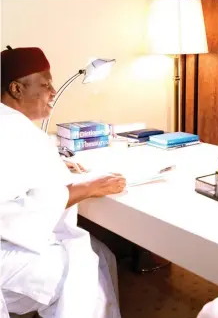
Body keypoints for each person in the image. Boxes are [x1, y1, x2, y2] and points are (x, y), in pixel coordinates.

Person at [0, 46, 126, 317]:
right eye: (45, 84)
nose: (53, 92)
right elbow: (7, 213)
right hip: (7, 255)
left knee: (99, 255)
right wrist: (88, 187)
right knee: (85, 267)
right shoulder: (12, 131)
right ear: (16, 89)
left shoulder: (10, 125)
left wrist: (53, 165)